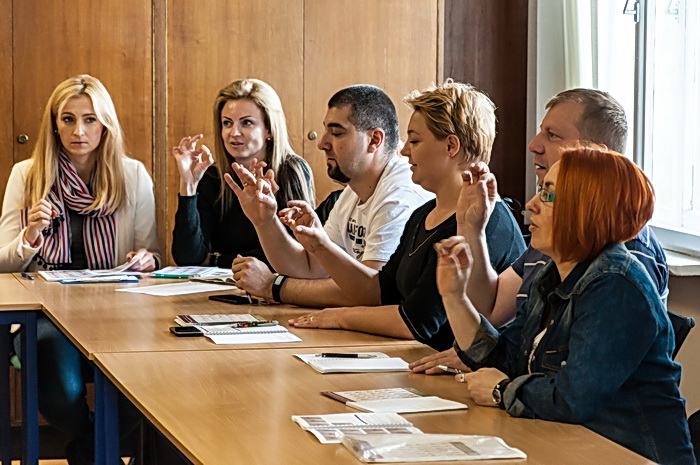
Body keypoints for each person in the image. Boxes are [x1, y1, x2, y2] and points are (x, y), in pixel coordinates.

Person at [435, 148, 694, 464]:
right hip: (572, 447)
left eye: (548, 195)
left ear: (585, 208)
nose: (531, 205)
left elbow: (575, 398)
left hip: (631, 455)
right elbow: (507, 359)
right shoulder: (554, 273)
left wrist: (502, 390)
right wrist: (455, 297)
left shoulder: (615, 282)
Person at [410, 88, 669, 374]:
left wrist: (503, 385)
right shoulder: (557, 229)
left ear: (595, 153)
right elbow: (492, 311)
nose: (533, 145)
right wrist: (472, 229)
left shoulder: (627, 250)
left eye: (553, 135)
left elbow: (579, 384)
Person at [285, 80, 525, 350]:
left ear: (451, 146)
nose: (404, 150)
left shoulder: (484, 219)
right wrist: (320, 246)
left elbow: (417, 322)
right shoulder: (423, 214)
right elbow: (379, 293)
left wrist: (338, 317)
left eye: (415, 140)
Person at [0, 74, 159, 463]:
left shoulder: (132, 175)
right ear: (54, 123)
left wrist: (146, 260)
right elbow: (3, 262)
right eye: (67, 119)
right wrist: (31, 235)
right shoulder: (28, 173)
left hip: (117, 306)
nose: (79, 131)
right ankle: (95, 449)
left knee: (150, 376)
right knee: (59, 383)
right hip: (45, 309)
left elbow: (151, 254)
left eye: (90, 119)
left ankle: (88, 453)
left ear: (105, 124)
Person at [229, 85, 433, 307]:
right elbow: (310, 268)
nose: (322, 143)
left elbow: (373, 294)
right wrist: (265, 221)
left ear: (374, 140)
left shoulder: (398, 198)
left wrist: (273, 287)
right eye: (326, 131)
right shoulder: (353, 191)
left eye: (336, 133)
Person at [171, 78, 315, 268]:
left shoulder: (291, 170)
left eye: (246, 123)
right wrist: (188, 185)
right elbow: (187, 258)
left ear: (269, 129)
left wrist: (216, 259)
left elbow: (295, 254)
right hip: (222, 288)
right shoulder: (214, 177)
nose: (234, 132)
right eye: (227, 123)